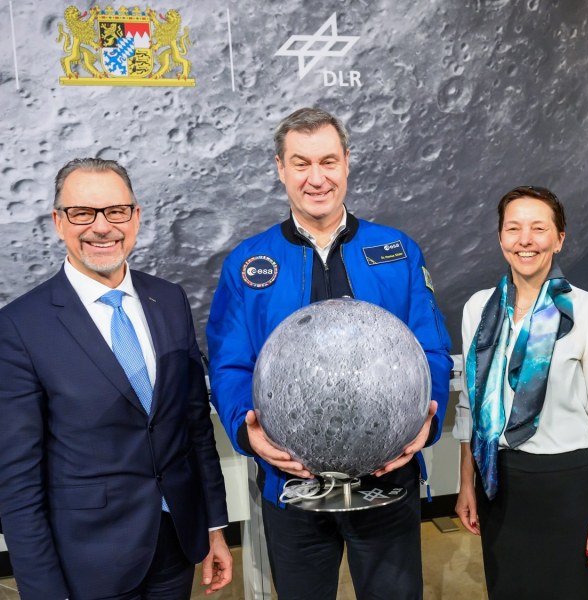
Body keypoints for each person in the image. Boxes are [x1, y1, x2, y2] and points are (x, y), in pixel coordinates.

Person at [206, 107, 452, 599]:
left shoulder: (397, 251)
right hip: (291, 484)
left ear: (347, 162)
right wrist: (246, 432)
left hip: (388, 478)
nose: (316, 178)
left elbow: (431, 350)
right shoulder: (248, 263)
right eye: (301, 163)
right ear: (280, 168)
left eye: (328, 162)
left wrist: (428, 420)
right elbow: (230, 364)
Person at [0, 158, 232, 598]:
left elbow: (195, 426)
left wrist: (214, 526)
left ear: (136, 217)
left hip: (176, 546)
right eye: (82, 213)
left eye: (116, 211)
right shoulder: (19, 327)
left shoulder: (169, 299)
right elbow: (18, 481)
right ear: (58, 222)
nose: (102, 227)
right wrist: (43, 590)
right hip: (87, 562)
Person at [454, 185, 588, 599]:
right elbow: (471, 407)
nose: (525, 240)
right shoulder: (479, 308)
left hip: (568, 488)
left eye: (538, 228)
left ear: (559, 238)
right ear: (500, 238)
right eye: (513, 228)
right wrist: (466, 484)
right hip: (499, 485)